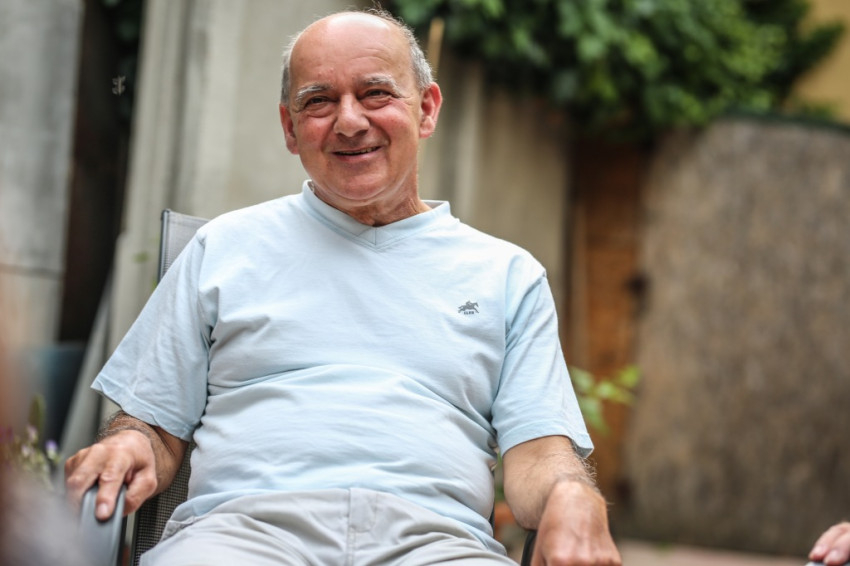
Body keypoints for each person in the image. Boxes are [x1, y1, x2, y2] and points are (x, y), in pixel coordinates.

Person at [65, 8, 621, 566]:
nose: (349, 122)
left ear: (427, 109)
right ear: (289, 127)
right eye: (319, 101)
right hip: (242, 536)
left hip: (435, 546)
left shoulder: (507, 275)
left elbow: (539, 452)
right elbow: (153, 428)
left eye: (376, 93)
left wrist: (573, 494)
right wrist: (127, 443)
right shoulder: (223, 248)